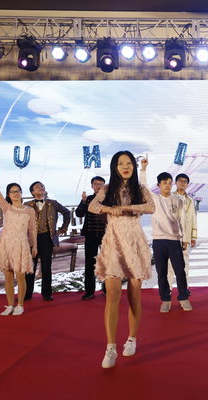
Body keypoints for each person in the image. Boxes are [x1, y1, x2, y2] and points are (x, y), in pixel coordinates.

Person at [88, 151, 155, 368]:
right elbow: (92, 206)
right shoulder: (107, 189)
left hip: (134, 243)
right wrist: (109, 208)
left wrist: (125, 207)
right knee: (112, 296)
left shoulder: (140, 189)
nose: (125, 167)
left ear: (133, 167)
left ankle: (132, 339)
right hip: (113, 243)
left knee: (134, 296)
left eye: (129, 163)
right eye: (120, 163)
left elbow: (151, 207)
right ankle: (110, 348)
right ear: (114, 167)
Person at [0, 164, 37, 316]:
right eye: (13, 191)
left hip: (21, 245)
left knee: (20, 276)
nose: (16, 193)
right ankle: (9, 305)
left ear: (21, 193)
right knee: (8, 276)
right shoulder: (6, 207)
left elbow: (32, 230)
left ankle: (20, 305)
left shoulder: (29, 210)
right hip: (6, 244)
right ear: (8, 194)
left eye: (18, 191)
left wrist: (34, 246)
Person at [139, 159, 192, 313]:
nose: (168, 185)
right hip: (159, 241)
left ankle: (183, 298)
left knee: (180, 271)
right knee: (161, 272)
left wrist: (185, 239)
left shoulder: (178, 200)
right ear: (158, 185)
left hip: (174, 241)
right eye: (164, 183)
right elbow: (143, 186)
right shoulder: (154, 199)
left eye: (169, 182)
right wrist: (143, 169)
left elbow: (183, 220)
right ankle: (165, 300)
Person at [24, 181, 70, 301]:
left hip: (47, 238)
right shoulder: (27, 205)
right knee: (30, 266)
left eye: (42, 186)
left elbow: (66, 212)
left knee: (46, 266)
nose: (41, 187)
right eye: (37, 187)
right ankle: (27, 294)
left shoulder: (53, 203)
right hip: (31, 238)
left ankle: (47, 293)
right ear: (32, 192)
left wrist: (63, 229)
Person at [75, 176, 107, 300]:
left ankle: (107, 289)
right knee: (90, 263)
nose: (98, 186)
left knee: (108, 262)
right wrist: (83, 201)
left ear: (104, 186)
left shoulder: (110, 199)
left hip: (107, 235)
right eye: (96, 184)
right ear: (92, 186)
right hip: (90, 235)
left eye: (101, 184)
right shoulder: (88, 199)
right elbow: (79, 214)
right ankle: (89, 291)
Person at [167, 173, 197, 289]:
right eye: (180, 180)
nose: (182, 183)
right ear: (175, 182)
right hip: (172, 235)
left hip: (185, 236)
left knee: (185, 263)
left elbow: (193, 218)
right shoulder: (169, 197)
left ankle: (184, 288)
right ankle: (168, 289)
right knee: (170, 264)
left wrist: (193, 237)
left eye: (185, 181)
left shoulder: (190, 200)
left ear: (187, 184)